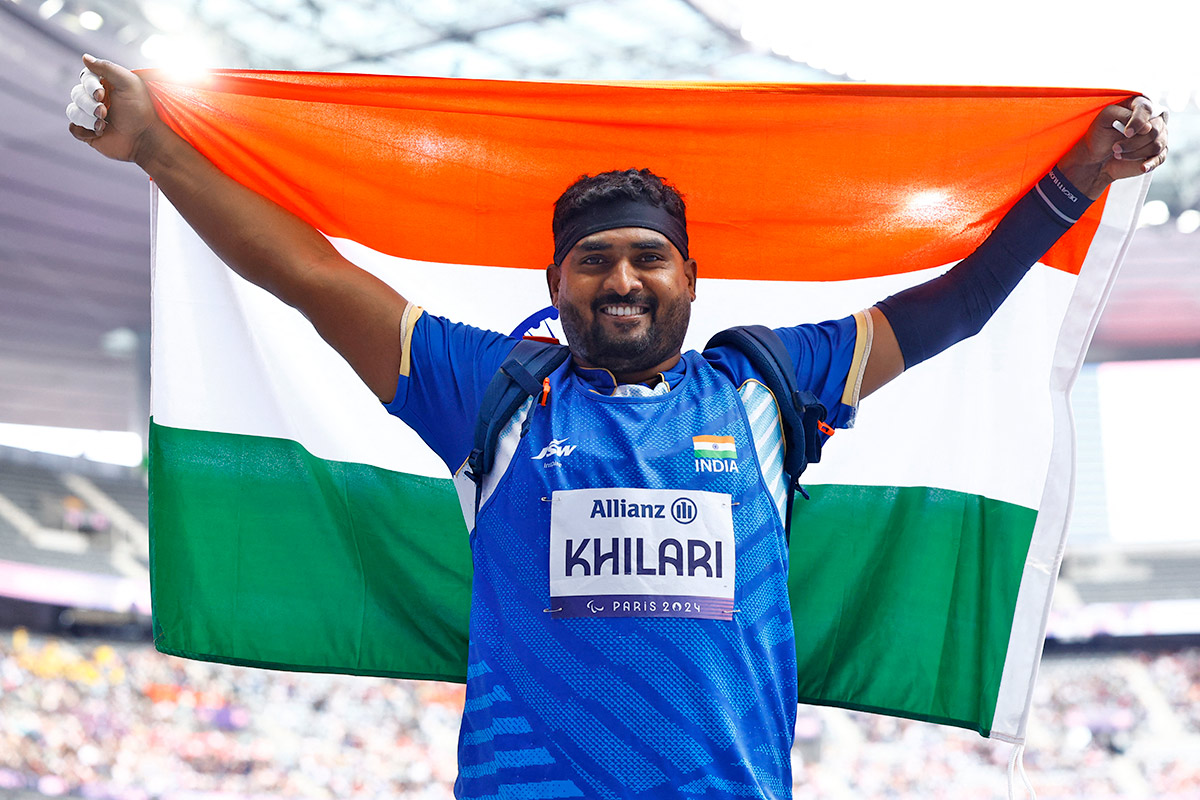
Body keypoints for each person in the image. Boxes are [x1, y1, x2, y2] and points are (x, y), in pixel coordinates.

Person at [69, 55, 1166, 800]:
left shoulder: (768, 385)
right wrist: (161, 144)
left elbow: (953, 309)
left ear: (692, 276)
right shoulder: (491, 389)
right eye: (594, 259)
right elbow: (312, 275)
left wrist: (1076, 178)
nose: (623, 278)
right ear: (555, 280)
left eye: (649, 256)